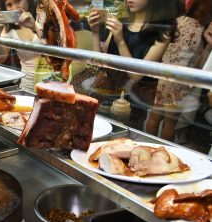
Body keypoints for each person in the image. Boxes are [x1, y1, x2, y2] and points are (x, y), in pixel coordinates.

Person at [88, 0, 177, 128]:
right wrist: (95, 32)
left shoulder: (162, 31)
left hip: (134, 103)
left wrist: (120, 41)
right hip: (108, 95)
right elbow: (100, 63)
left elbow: (136, 77)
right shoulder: (121, 22)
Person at [145, 0, 212, 141]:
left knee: (154, 115)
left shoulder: (178, 20)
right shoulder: (200, 30)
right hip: (181, 79)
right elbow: (199, 65)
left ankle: (148, 144)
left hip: (166, 72)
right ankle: (164, 152)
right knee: (170, 122)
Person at [0, 0, 41, 91]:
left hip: (53, 81)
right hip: (28, 86)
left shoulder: (42, 18)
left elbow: (58, 46)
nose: (14, 7)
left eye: (18, 1)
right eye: (9, 5)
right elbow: (0, 58)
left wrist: (34, 26)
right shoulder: (9, 30)